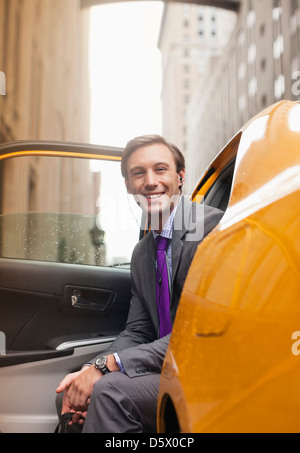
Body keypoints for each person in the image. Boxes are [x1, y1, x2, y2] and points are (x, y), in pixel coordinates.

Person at [55, 134, 223, 433]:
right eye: (138, 173)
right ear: (128, 186)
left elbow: (199, 335)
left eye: (160, 169)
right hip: (167, 368)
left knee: (109, 392)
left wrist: (107, 367)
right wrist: (90, 369)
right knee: (73, 390)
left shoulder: (212, 229)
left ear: (180, 176)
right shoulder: (143, 252)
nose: (150, 181)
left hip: (209, 368)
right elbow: (139, 329)